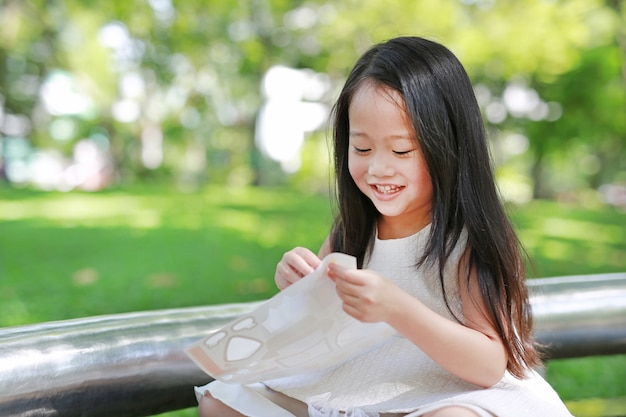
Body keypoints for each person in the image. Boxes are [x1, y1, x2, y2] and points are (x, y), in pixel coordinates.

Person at [195, 36, 574, 417]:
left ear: (449, 145)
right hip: (363, 387)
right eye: (361, 149)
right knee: (221, 401)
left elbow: (489, 365)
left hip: (451, 393)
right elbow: (321, 318)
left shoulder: (466, 240)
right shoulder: (355, 230)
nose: (378, 168)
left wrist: (397, 309)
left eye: (401, 150)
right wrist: (299, 285)